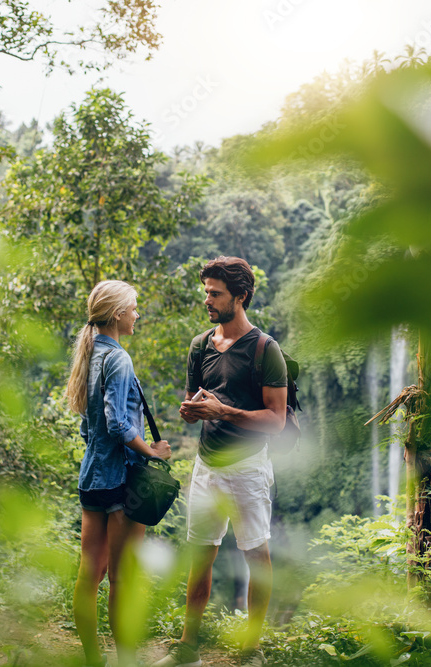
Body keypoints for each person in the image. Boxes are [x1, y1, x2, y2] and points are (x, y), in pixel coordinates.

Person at [153, 257, 288, 667]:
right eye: (206, 292)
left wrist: (225, 412)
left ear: (241, 296)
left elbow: (277, 421)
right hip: (207, 466)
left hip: (248, 468)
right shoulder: (199, 346)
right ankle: (188, 646)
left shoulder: (266, 350)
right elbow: (198, 400)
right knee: (200, 553)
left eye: (216, 294)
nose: (208, 300)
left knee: (255, 557)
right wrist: (192, 412)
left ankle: (251, 650)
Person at [66, 279, 172, 667]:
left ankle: (94, 660)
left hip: (92, 477)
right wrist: (154, 452)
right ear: (117, 314)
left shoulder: (90, 354)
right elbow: (118, 424)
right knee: (122, 579)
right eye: (134, 308)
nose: (137, 314)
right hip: (123, 480)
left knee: (88, 575)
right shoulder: (118, 359)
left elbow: (88, 427)